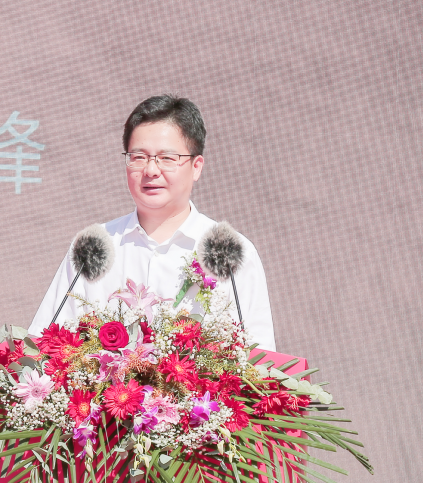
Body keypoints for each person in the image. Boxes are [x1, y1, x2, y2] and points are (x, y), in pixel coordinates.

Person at [29, 95, 277, 351]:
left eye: (167, 158)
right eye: (138, 157)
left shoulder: (231, 252)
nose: (150, 170)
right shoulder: (92, 247)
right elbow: (42, 345)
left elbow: (261, 360)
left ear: (196, 167)